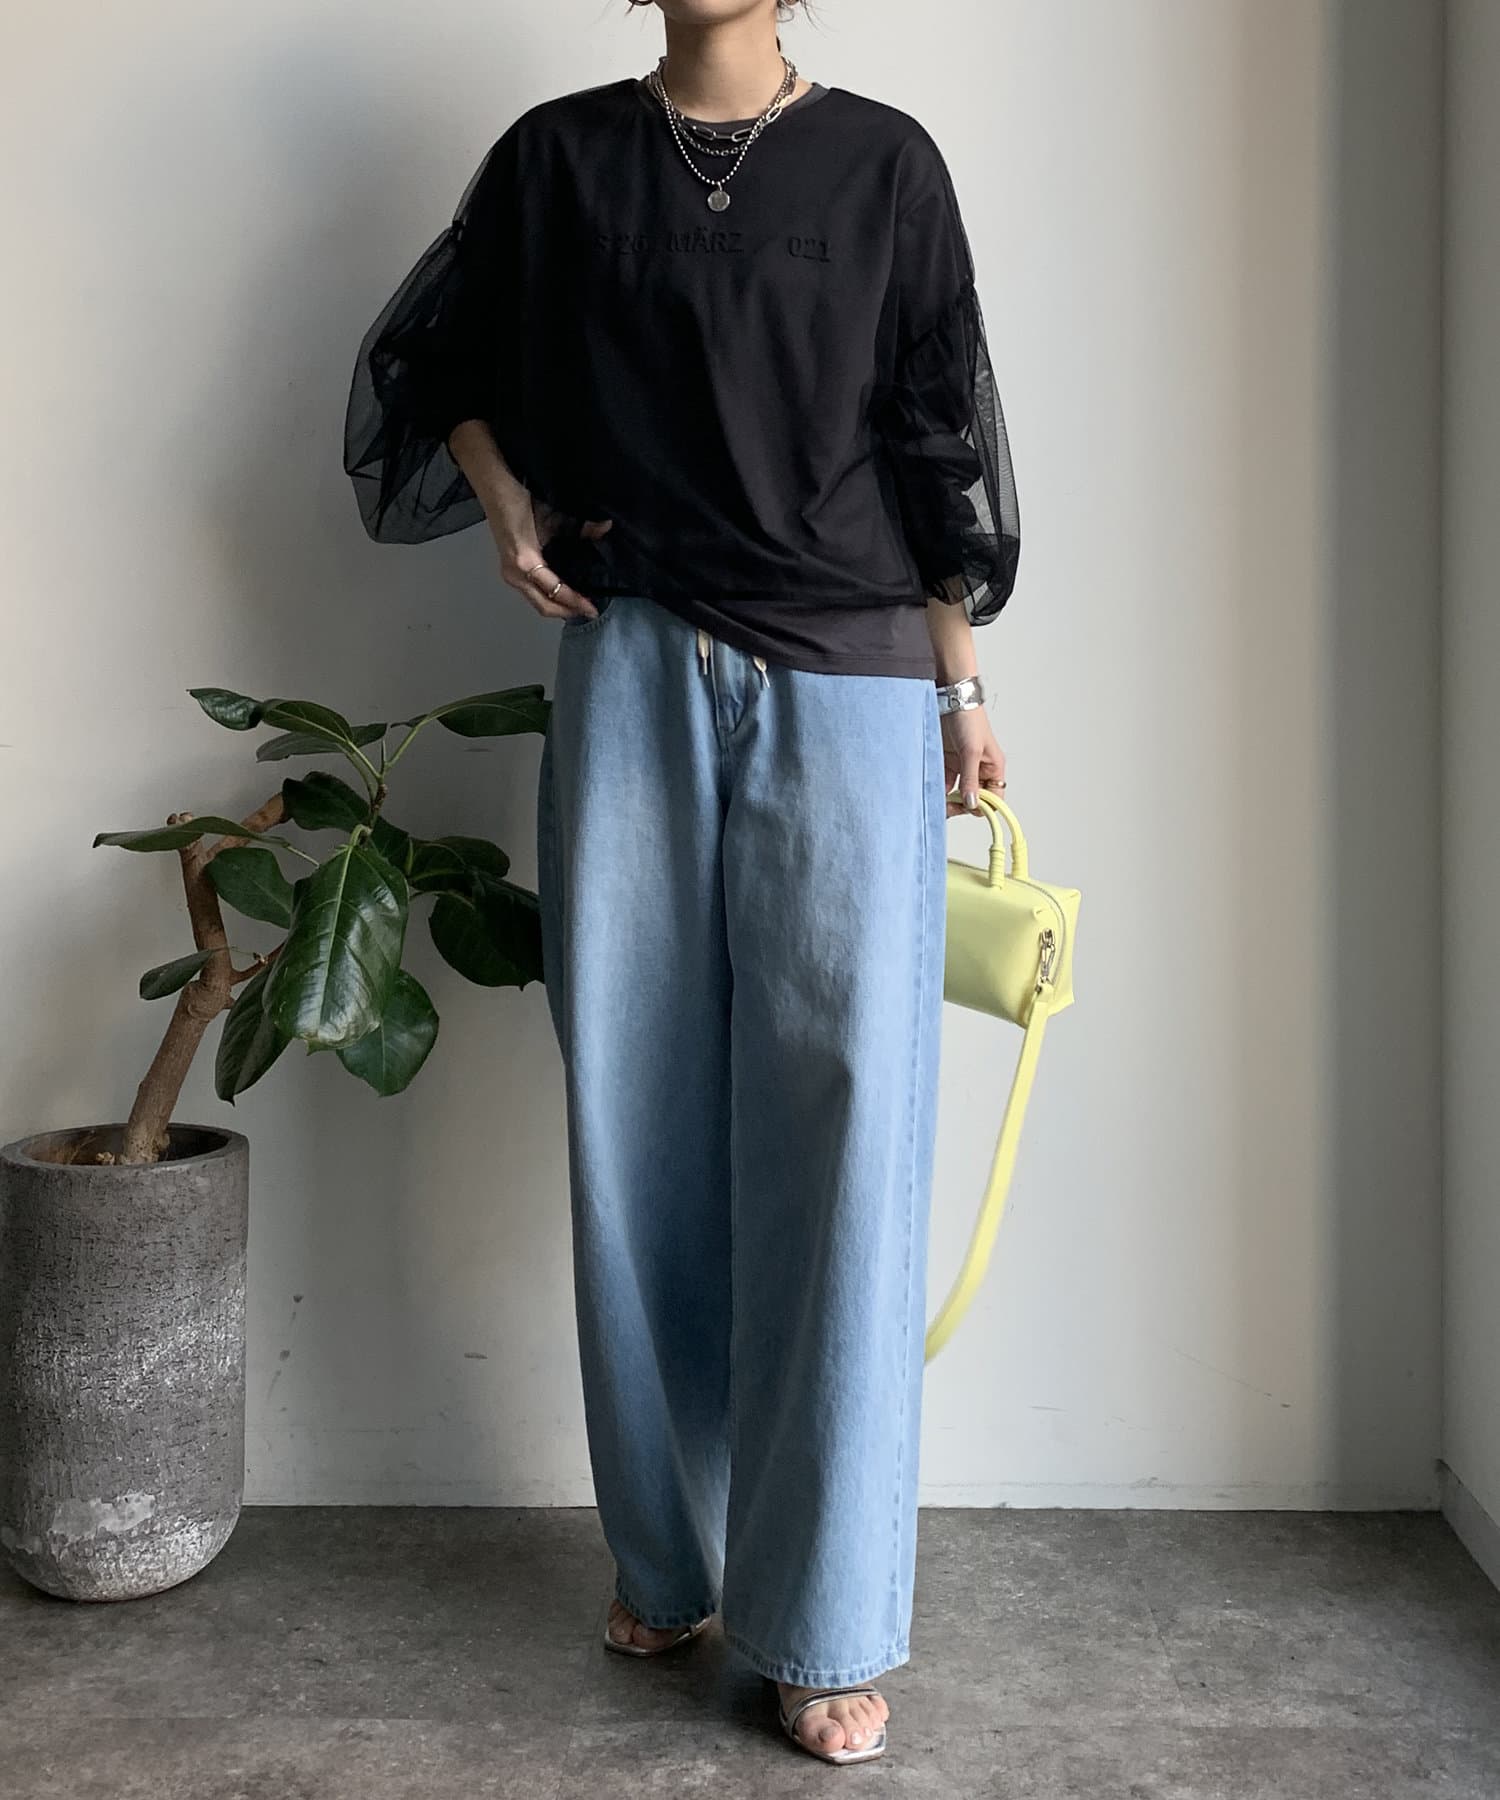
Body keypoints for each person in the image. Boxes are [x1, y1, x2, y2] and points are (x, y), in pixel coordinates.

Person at [343, 0, 1018, 1767]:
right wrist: (505, 506)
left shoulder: (883, 164)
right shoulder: (559, 159)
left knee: (845, 1134)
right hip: (634, 662)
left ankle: (826, 1619)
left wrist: (962, 692)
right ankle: (665, 1557)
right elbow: (439, 364)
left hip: (851, 678)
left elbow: (936, 441)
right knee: (632, 1118)